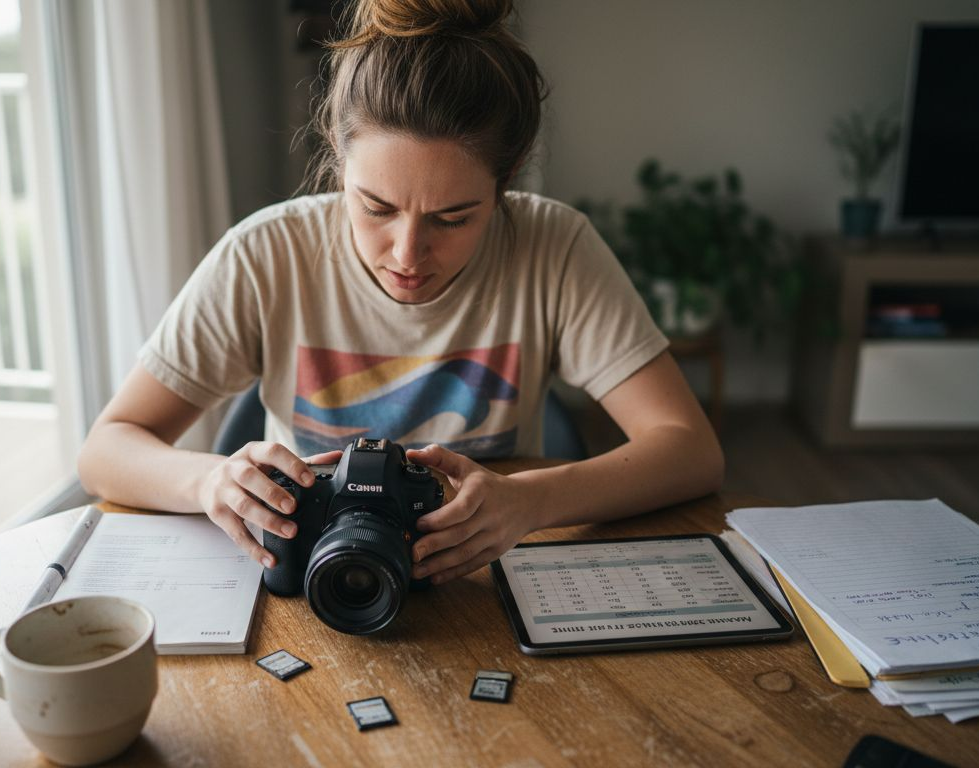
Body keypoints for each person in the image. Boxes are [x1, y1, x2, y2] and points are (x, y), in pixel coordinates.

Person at [77, 0, 723, 587]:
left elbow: (688, 448)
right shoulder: (266, 255)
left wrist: (531, 499)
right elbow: (107, 449)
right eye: (376, 207)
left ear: (508, 181)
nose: (407, 255)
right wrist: (208, 480)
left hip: (478, 583)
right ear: (337, 156)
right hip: (309, 579)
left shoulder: (552, 246)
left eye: (454, 217)